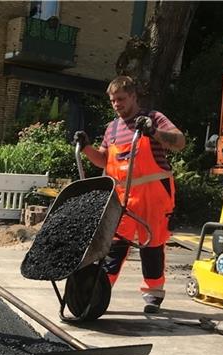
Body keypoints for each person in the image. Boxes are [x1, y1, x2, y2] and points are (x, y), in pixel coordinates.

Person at [76, 75, 185, 314]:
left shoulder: (154, 118)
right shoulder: (112, 128)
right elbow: (103, 160)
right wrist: (86, 148)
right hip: (121, 195)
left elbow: (179, 142)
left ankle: (153, 295)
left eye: (121, 99)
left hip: (153, 193)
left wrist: (153, 132)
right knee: (113, 244)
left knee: (152, 245)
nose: (117, 105)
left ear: (134, 96)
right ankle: (98, 289)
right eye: (113, 101)